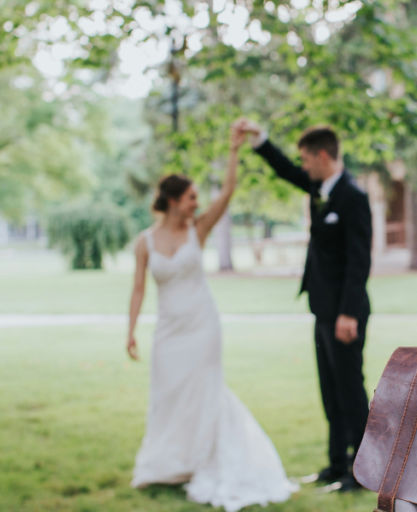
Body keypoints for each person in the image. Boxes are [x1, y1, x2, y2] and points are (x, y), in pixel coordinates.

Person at [125, 129, 297, 510]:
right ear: (171, 201)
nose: (195, 204)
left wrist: (234, 150)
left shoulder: (198, 230)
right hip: (168, 330)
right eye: (189, 198)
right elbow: (138, 289)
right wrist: (131, 330)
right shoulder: (145, 242)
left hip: (202, 325)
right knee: (168, 395)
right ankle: (166, 463)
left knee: (203, 392)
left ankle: (201, 460)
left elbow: (228, 192)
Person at [234, 119, 371, 492]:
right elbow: (285, 171)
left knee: (350, 390)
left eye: (306, 159)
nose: (303, 166)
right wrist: (260, 141)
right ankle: (335, 464)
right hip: (322, 307)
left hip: (346, 313)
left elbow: (359, 261)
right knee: (329, 390)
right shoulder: (318, 188)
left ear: (322, 155)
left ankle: (361, 472)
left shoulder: (353, 197)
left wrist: (347, 312)